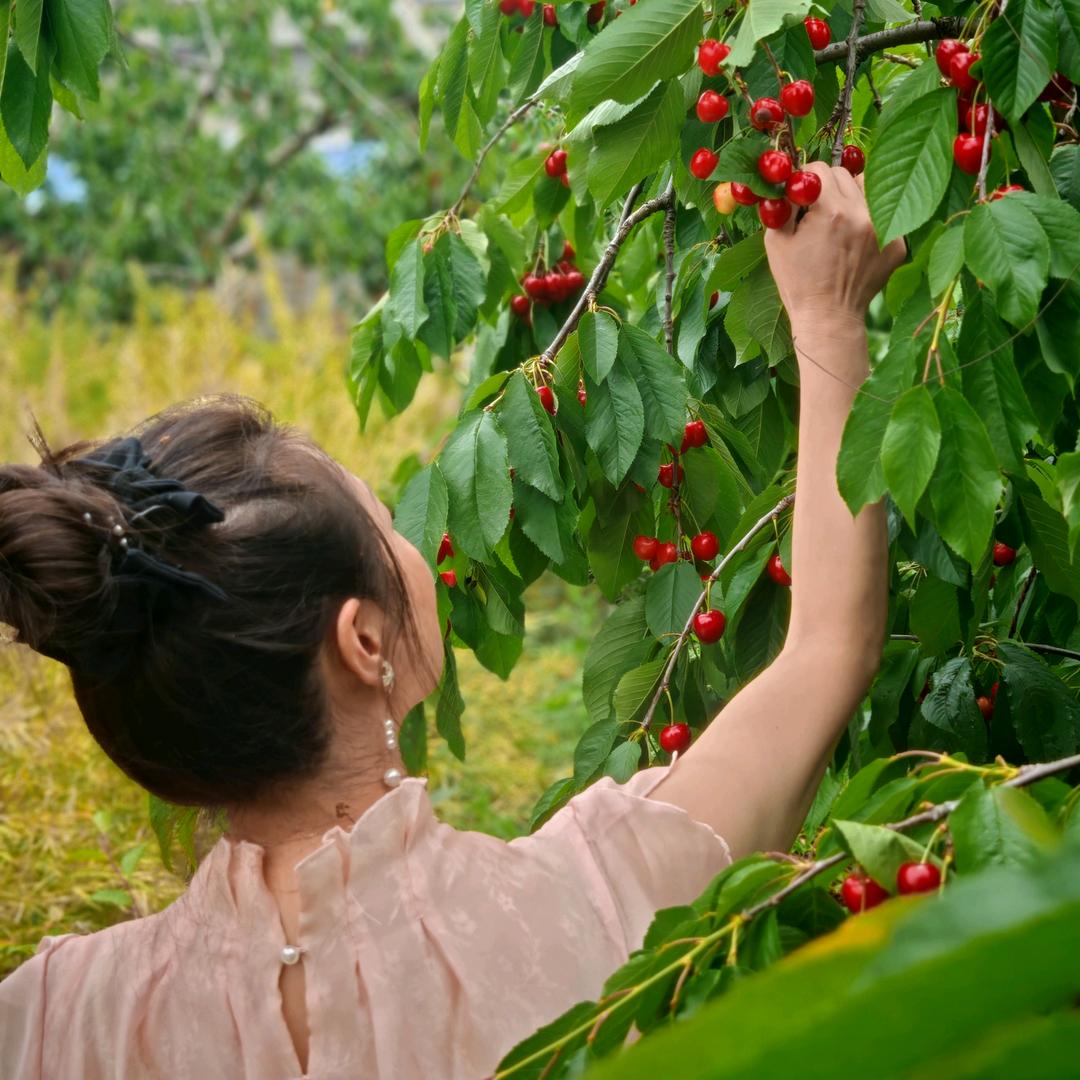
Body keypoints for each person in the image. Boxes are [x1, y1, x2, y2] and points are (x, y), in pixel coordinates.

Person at [0, 163, 905, 1079]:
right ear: (360, 643)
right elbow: (830, 646)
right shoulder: (593, 900)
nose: (416, 543)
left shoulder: (52, 1019)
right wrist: (828, 318)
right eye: (387, 525)